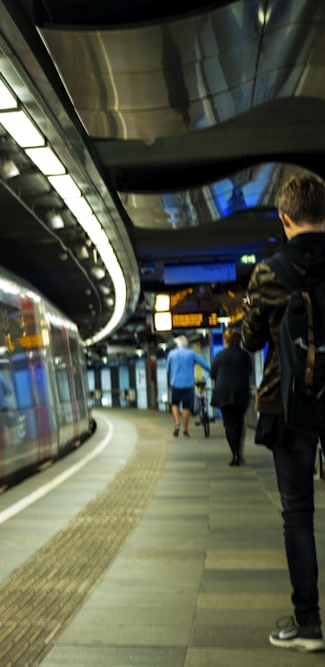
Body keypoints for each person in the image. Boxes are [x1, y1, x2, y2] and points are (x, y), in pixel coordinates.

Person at [242, 171, 325, 652]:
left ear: (285, 217)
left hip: (288, 401)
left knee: (298, 514)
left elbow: (252, 338)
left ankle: (308, 623)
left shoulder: (269, 271)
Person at [210, 328, 253, 466]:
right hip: (241, 391)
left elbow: (212, 374)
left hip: (224, 393)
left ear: (226, 341)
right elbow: (250, 372)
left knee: (229, 423)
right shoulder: (245, 356)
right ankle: (239, 452)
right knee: (239, 421)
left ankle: (234, 453)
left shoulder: (219, 356)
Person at [166, 335, 210, 437]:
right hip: (188, 384)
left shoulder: (171, 354)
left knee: (175, 404)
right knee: (186, 407)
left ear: (177, 345)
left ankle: (177, 424)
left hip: (175, 384)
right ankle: (185, 430)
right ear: (187, 345)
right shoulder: (191, 354)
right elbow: (205, 365)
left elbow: (168, 370)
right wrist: (213, 373)